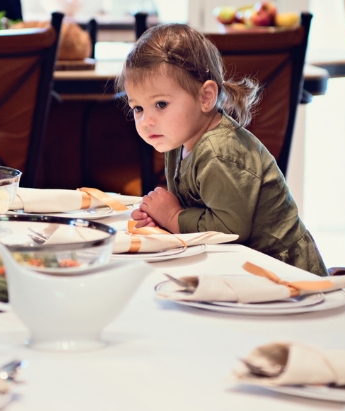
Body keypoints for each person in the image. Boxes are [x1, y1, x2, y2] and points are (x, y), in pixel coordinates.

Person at [120, 23, 327, 276]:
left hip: (284, 271)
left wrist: (173, 216)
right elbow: (197, 213)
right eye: (138, 108)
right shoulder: (178, 141)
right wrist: (163, 219)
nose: (146, 121)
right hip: (245, 267)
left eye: (160, 104)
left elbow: (230, 231)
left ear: (206, 97)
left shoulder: (218, 152)